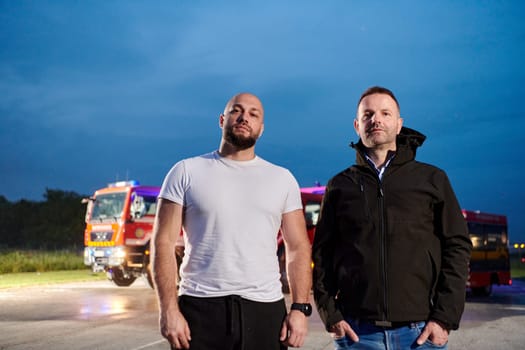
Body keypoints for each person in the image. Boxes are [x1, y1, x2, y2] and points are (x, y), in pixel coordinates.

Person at [312, 86, 472, 350]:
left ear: (399, 124)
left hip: (420, 333)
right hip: (357, 334)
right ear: (357, 125)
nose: (376, 119)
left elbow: (457, 247)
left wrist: (444, 318)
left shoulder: (432, 179)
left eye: (386, 113)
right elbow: (322, 254)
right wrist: (331, 316)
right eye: (368, 114)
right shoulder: (340, 185)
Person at [152, 92, 312, 350]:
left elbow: (298, 247)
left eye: (253, 114)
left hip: (266, 311)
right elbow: (163, 244)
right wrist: (168, 310)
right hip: (200, 309)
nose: (244, 117)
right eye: (236, 110)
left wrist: (299, 309)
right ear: (222, 119)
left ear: (261, 128)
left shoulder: (282, 179)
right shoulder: (185, 172)